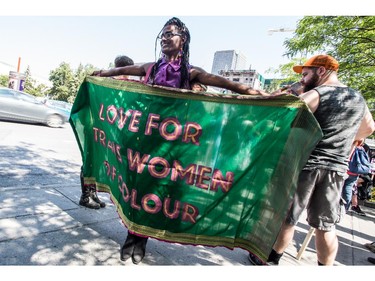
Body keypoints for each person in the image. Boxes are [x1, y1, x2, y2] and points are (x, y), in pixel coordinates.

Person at [91, 17, 270, 264]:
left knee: (161, 193)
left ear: (182, 40)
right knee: (138, 189)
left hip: (175, 147)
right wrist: (101, 74)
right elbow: (121, 71)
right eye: (162, 35)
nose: (164, 38)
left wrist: (263, 94)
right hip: (145, 143)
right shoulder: (150, 68)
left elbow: (228, 84)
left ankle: (146, 235)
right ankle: (133, 238)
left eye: (170, 34)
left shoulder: (192, 72)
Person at [248, 54, 375, 266]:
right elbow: (369, 128)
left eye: (306, 74)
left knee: (288, 217)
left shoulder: (318, 93)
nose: (303, 79)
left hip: (307, 165)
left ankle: (271, 257)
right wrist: (348, 135)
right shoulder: (358, 99)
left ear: (321, 71)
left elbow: (285, 117)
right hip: (336, 169)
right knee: (325, 225)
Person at [79, 55, 134, 209]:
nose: (127, 74)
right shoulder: (105, 83)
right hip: (94, 128)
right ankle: (85, 196)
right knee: (89, 162)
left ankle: (93, 194)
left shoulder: (126, 85)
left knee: (99, 162)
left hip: (108, 131)